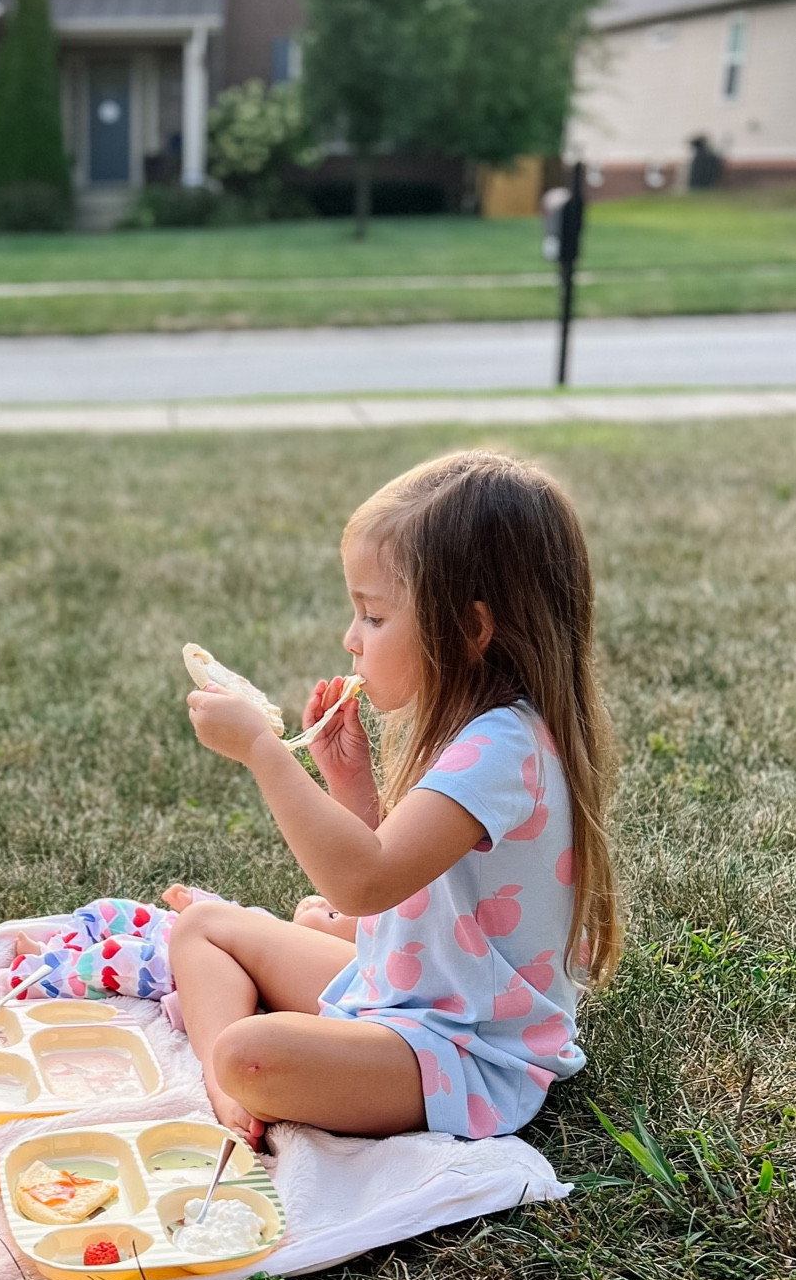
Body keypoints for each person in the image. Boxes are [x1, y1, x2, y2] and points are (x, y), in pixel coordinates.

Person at [172, 450, 620, 1149]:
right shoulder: (487, 729)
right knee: (201, 927)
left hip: (466, 1049)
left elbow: (363, 880)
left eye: (373, 616)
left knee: (248, 1053)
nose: (350, 639)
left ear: (470, 630)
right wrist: (351, 784)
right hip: (406, 990)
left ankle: (233, 1078)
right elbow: (395, 881)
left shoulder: (504, 747)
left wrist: (262, 750)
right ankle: (227, 1087)